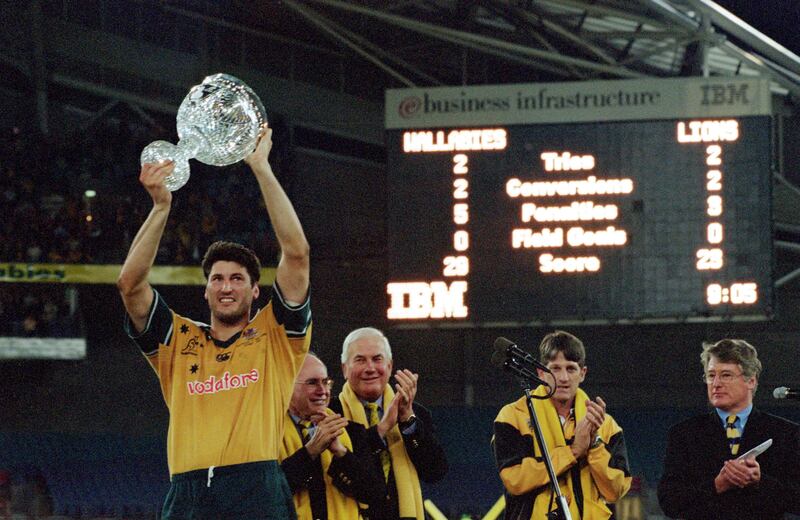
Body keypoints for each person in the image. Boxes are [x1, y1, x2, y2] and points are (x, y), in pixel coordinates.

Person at [117, 125, 311, 519]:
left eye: (237, 279)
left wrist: (261, 168)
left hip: (256, 488)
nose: (226, 287)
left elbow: (297, 253)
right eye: (217, 279)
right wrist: (160, 208)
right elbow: (130, 284)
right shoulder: (177, 339)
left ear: (256, 291)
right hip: (187, 494)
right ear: (205, 291)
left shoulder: (277, 336)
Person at [493, 330, 631, 519]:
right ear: (541, 372)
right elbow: (515, 480)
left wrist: (595, 445)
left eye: (571, 368)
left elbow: (616, 491)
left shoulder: (605, 425)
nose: (564, 378)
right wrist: (573, 451)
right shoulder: (513, 416)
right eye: (555, 368)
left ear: (583, 373)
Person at [657, 339, 800, 519]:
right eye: (710, 375)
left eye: (726, 375)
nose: (716, 383)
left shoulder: (786, 434)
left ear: (751, 381)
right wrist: (718, 485)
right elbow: (669, 502)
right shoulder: (684, 434)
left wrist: (760, 482)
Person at [330, 327, 448, 520]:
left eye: (377, 359)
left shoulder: (416, 413)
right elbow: (342, 469)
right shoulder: (331, 412)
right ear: (344, 369)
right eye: (360, 360)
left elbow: (435, 472)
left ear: (390, 366)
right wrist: (381, 429)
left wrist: (407, 420)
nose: (370, 368)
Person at [279, 352, 384, 519]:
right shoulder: (267, 435)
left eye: (326, 382)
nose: (323, 391)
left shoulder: (351, 432)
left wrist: (341, 452)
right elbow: (266, 495)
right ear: (287, 385)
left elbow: (375, 495)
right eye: (312, 383)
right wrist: (311, 451)